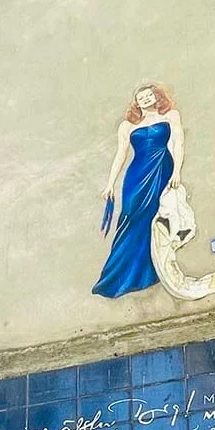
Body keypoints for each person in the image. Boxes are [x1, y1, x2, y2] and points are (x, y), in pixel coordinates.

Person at [93, 84, 183, 299]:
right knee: (131, 216)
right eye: (140, 97)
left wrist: (177, 171)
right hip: (137, 174)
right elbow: (120, 155)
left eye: (148, 95)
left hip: (162, 168)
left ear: (156, 97)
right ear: (136, 102)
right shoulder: (127, 126)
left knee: (154, 218)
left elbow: (178, 143)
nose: (144, 99)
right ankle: (117, 276)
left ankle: (150, 272)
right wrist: (110, 184)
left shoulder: (171, 116)